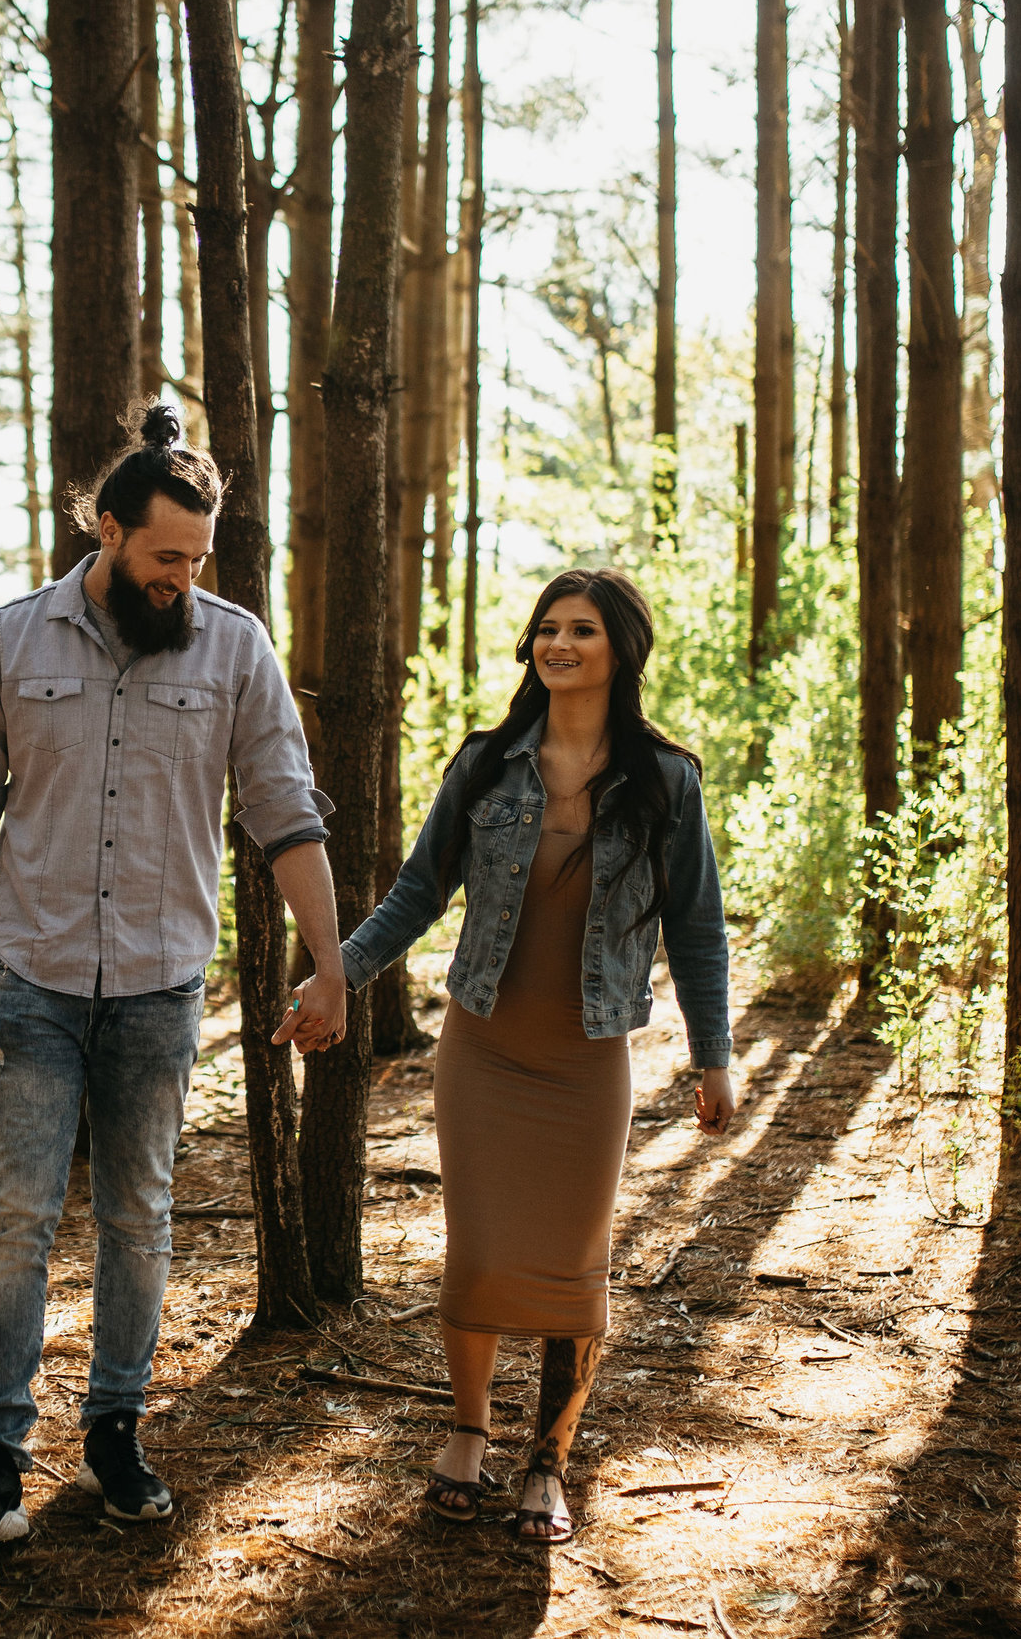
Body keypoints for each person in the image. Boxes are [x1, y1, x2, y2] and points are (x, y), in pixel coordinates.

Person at [0, 404, 350, 1551]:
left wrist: (331, 961)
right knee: (14, 1216)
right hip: (33, 976)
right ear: (106, 531)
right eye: (165, 557)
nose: (183, 581)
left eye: (198, 560)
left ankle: (115, 1426)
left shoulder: (234, 646)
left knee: (137, 1215)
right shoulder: (13, 639)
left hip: (159, 984)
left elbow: (284, 813)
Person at [310, 568, 737, 1545]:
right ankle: (467, 1432)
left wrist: (713, 1057)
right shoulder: (488, 763)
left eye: (580, 629)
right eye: (546, 628)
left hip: (589, 1058)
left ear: (620, 648)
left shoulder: (665, 779)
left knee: (570, 1265)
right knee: (480, 1252)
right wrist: (340, 972)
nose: (558, 644)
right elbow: (417, 892)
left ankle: (548, 1458)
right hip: (484, 1048)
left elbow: (698, 928)